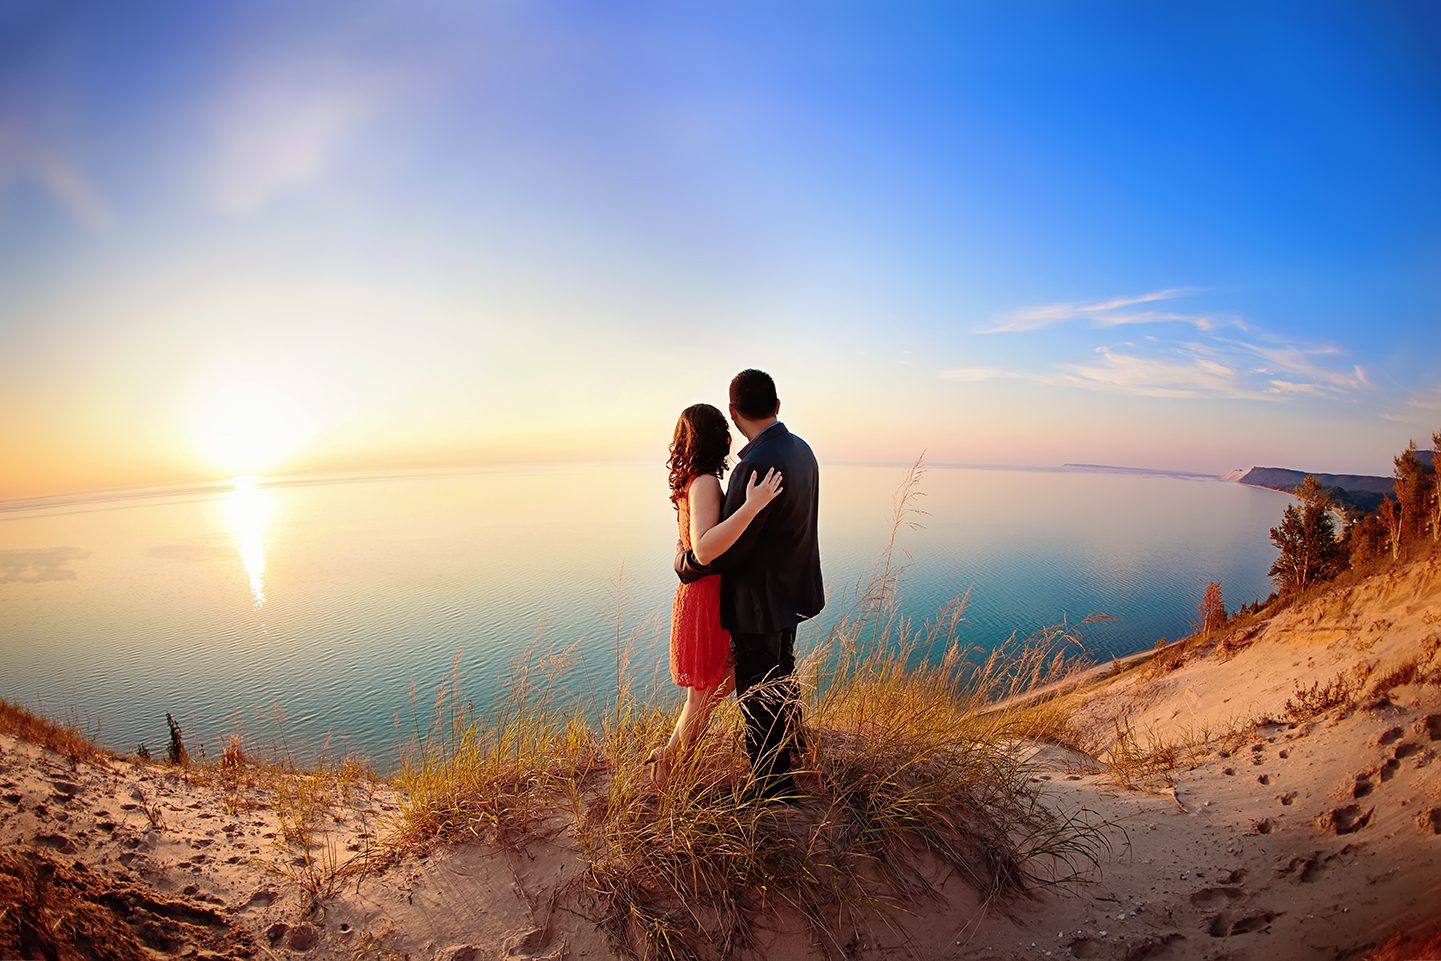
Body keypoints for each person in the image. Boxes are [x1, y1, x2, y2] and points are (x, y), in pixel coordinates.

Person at [675, 369, 824, 802]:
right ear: (777, 407)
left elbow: (727, 552)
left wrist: (688, 564)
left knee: (758, 697)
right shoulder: (804, 451)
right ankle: (793, 748)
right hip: (793, 592)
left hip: (758, 603)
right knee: (781, 677)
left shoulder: (752, 467)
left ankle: (773, 789)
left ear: (735, 413)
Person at [647, 402, 785, 788]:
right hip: (706, 600)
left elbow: (689, 542)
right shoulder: (705, 481)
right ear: (714, 437)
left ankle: (676, 761)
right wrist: (753, 506)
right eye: (724, 430)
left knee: (714, 688)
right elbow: (704, 549)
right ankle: (668, 763)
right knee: (703, 694)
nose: (730, 436)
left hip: (702, 595)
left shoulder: (692, 480)